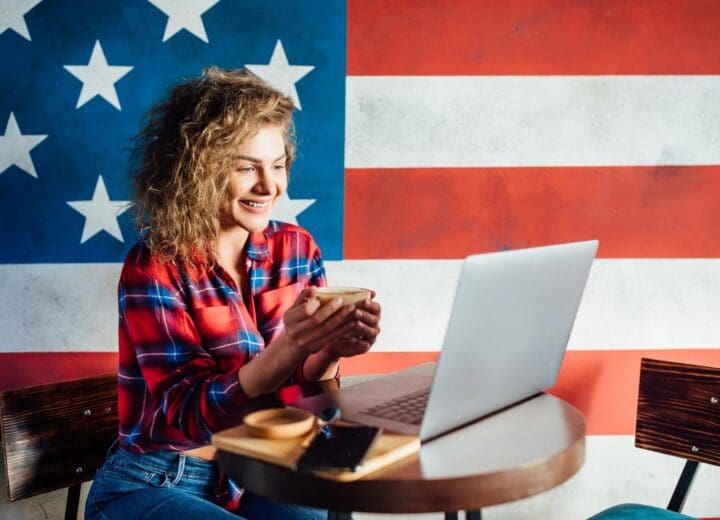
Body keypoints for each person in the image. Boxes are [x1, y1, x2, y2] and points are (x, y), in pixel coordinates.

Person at [85, 67, 382, 519]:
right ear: (196, 171)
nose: (269, 186)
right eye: (247, 167)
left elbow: (305, 401)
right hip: (152, 481)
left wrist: (329, 352)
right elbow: (188, 416)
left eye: (278, 165)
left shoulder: (297, 250)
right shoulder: (154, 265)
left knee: (327, 509)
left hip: (256, 473)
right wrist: (294, 344)